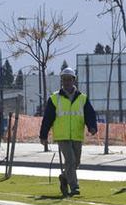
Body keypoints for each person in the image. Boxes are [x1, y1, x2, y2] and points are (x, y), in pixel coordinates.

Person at [39, 67, 98, 196]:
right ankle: (74, 186)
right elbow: (48, 118)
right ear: (62, 81)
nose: (66, 82)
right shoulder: (55, 98)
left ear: (74, 80)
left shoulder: (82, 98)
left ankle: (64, 177)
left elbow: (90, 114)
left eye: (69, 79)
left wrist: (92, 126)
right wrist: (43, 135)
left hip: (77, 134)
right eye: (64, 80)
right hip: (62, 135)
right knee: (70, 160)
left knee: (76, 162)